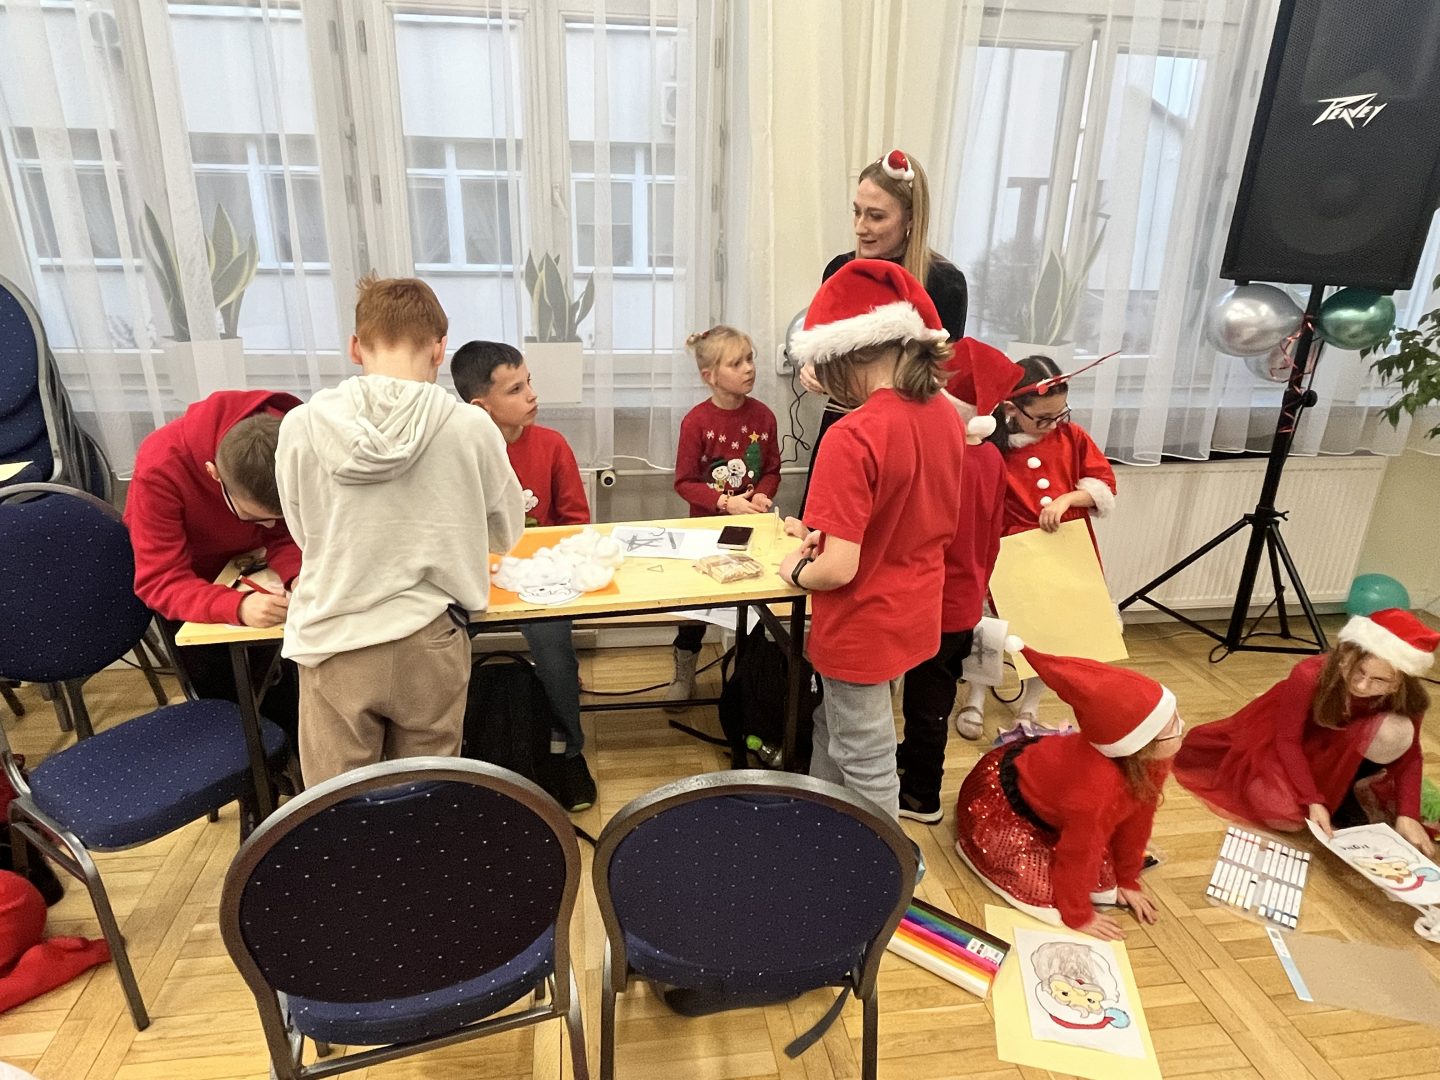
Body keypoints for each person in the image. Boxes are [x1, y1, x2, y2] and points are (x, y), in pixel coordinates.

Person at [275, 276, 524, 787]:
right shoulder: (471, 426)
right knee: (425, 799)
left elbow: (304, 532)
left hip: (333, 638)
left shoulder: (301, 425)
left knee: (338, 804)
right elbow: (505, 533)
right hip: (429, 636)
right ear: (439, 349)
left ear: (355, 347)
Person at [779, 259, 965, 820]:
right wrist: (830, 536)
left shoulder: (852, 434)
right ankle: (819, 828)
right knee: (834, 727)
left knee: (867, 758)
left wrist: (796, 569)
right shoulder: (944, 416)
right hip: (913, 612)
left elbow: (837, 570)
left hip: (861, 625)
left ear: (850, 353)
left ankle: (883, 863)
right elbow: (904, 515)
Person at [452, 339, 597, 812]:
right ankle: (457, 755)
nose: (532, 395)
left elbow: (576, 524)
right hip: (475, 581)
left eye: (528, 382)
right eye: (515, 389)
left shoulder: (552, 445)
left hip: (541, 582)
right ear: (481, 407)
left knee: (555, 652)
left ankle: (568, 751)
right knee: (439, 646)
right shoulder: (458, 454)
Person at [953, 637, 1181, 938]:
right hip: (1002, 798)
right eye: (1172, 727)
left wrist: (1127, 878)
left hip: (1054, 788)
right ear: (1139, 745)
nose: (1182, 728)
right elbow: (1079, 852)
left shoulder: (1151, 761)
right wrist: (1078, 915)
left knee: (1104, 879)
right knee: (1044, 894)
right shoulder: (1097, 788)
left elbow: (1138, 819)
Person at [1174, 608, 1437, 857]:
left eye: (1379, 680)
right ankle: (1334, 792)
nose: (1361, 685)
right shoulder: (1309, 674)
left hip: (1348, 751)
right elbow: (1287, 741)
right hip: (1294, 743)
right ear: (1345, 654)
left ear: (1400, 683)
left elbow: (1410, 754)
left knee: (1397, 732)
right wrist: (1313, 799)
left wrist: (1408, 814)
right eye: (1358, 671)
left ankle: (1348, 787)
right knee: (1284, 816)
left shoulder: (1407, 696)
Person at [124, 390, 302, 736]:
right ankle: (263, 762)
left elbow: (281, 534)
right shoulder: (161, 465)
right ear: (214, 473)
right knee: (230, 707)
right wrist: (237, 607)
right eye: (254, 516)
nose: (268, 525)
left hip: (252, 576)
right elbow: (160, 579)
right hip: (193, 586)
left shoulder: (293, 443)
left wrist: (298, 576)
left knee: (289, 684)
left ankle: (294, 754)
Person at [799, 148, 969, 510]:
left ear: (910, 218)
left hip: (907, 444)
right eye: (857, 212)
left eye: (876, 216)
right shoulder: (840, 270)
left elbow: (942, 377)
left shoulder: (944, 284)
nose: (861, 227)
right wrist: (815, 367)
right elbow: (825, 350)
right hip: (843, 427)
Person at [895, 338, 1019, 822]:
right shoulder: (991, 459)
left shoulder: (944, 459)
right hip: (964, 601)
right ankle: (914, 767)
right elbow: (993, 536)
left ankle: (920, 795)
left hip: (934, 603)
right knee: (936, 697)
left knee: (923, 705)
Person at [983, 353, 1117, 732]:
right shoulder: (993, 445)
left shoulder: (1072, 437)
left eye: (1060, 414)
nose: (1053, 425)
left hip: (1064, 548)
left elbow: (1103, 486)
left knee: (1050, 631)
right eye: (1043, 418)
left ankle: (1030, 705)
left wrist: (1068, 498)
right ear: (1011, 408)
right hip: (1008, 550)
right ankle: (976, 696)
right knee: (992, 629)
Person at [666, 325, 780, 707]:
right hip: (706, 532)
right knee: (694, 611)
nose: (749, 368)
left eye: (750, 359)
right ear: (710, 376)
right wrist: (724, 503)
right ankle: (684, 670)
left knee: (750, 610)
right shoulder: (696, 421)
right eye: (736, 363)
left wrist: (762, 495)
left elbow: (771, 469)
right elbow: (684, 482)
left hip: (752, 533)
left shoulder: (763, 417)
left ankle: (748, 687)